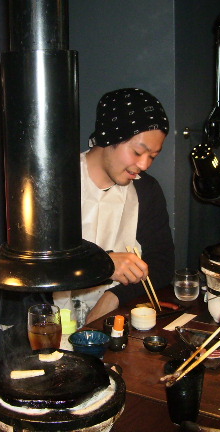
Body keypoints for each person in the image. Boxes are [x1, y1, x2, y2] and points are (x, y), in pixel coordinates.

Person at [54, 88, 175, 326]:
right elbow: (37, 262)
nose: (144, 165)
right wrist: (104, 264)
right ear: (108, 137)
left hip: (114, 322)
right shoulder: (55, 183)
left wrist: (114, 296)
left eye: (153, 156)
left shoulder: (146, 190)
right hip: (49, 320)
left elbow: (161, 263)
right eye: (138, 152)